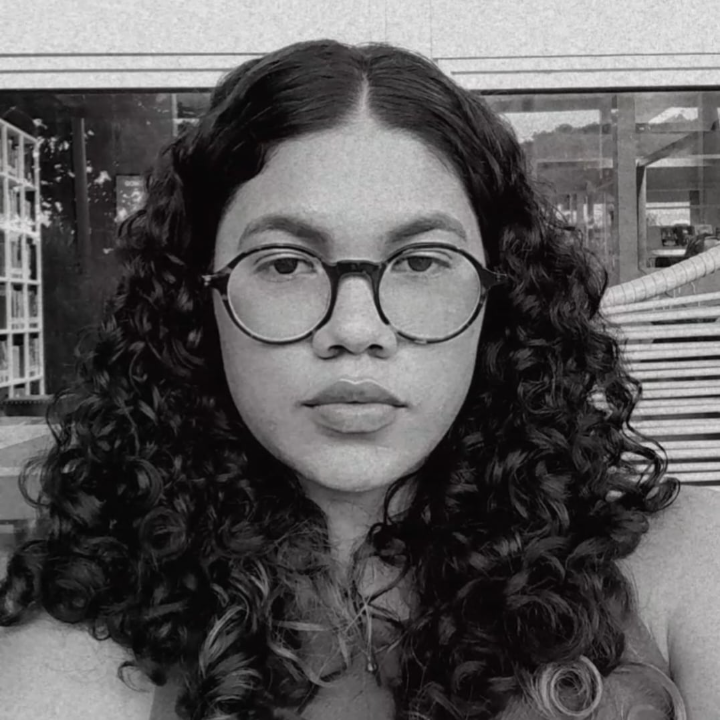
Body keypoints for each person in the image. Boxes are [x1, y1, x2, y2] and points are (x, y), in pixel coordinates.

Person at [0, 38, 719, 720]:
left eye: (421, 261)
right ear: (199, 298)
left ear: (498, 296)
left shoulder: (684, 561)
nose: (354, 327)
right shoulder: (89, 629)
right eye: (285, 264)